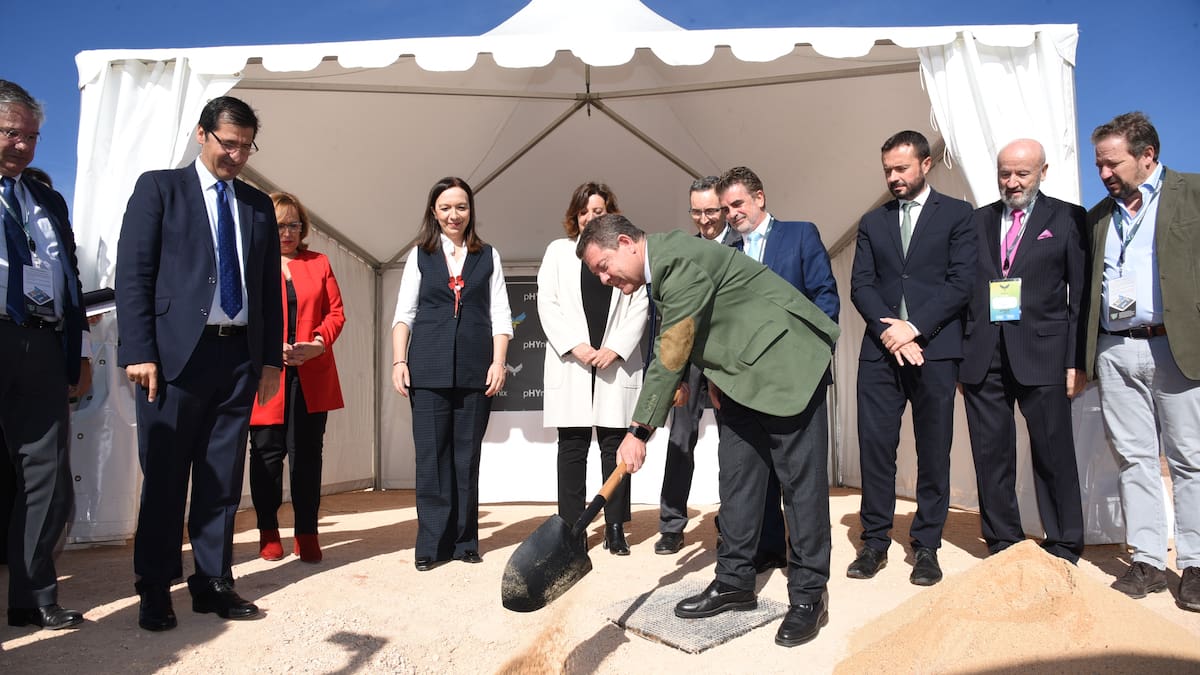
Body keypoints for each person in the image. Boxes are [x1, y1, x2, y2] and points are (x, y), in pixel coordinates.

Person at [578, 214, 840, 647]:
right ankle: (736, 582)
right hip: (739, 378)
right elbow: (713, 323)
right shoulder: (662, 266)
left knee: (800, 488)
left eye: (603, 266)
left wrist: (638, 431)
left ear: (626, 243)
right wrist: (712, 376)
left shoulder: (677, 263)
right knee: (737, 482)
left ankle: (810, 596)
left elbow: (673, 348)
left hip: (788, 369)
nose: (604, 278)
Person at [116, 96, 282, 631]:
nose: (235, 154)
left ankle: (213, 581)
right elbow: (133, 275)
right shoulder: (159, 188)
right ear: (201, 134)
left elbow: (266, 291)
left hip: (237, 357)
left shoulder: (258, 205)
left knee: (221, 478)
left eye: (245, 145)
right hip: (171, 360)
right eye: (227, 142)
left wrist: (270, 361)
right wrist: (139, 350)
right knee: (166, 476)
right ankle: (155, 588)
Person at [1082, 112, 1200, 611]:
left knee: (1191, 460)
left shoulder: (1193, 193)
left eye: (1113, 163)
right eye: (1099, 165)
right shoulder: (1097, 218)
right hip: (1115, 349)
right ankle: (1149, 559)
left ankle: (1194, 565)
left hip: (1179, 345)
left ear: (1147, 155)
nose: (1104, 173)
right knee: (1134, 459)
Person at [848, 130, 975, 586]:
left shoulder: (959, 215)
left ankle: (926, 546)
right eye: (887, 170)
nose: (894, 177)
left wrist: (914, 328)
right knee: (876, 449)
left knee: (933, 449)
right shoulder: (872, 221)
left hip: (935, 351)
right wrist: (891, 331)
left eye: (901, 168)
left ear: (925, 164)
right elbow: (861, 284)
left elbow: (961, 283)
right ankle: (875, 541)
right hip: (881, 352)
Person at [958, 139, 1086, 563]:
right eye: (1004, 174)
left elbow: (1080, 299)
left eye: (1022, 173)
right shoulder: (974, 222)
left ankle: (1064, 542)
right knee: (991, 454)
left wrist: (1075, 360)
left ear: (1043, 172)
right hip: (984, 357)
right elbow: (959, 292)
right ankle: (1002, 542)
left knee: (1053, 452)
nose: (1012, 182)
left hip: (1045, 354)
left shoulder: (1068, 219)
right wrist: (962, 356)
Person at [718, 166, 840, 575]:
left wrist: (813, 360)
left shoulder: (801, 234)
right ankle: (760, 557)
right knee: (748, 480)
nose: (732, 213)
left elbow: (825, 297)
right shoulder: (725, 253)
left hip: (796, 382)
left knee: (802, 485)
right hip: (745, 388)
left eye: (737, 203)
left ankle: (808, 582)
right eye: (725, 208)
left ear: (760, 197)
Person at [0, 80, 91, 630]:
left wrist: (74, 353)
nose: (24, 147)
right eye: (12, 133)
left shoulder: (45, 198)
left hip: (38, 342)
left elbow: (70, 280)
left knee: (46, 476)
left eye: (32, 137)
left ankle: (33, 598)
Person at [391, 176, 511, 571]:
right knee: (431, 458)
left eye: (461, 207)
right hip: (426, 369)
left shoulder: (487, 255)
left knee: (466, 459)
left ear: (470, 210)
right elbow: (404, 315)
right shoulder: (419, 255)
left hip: (476, 370)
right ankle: (431, 545)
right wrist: (399, 361)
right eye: (445, 207)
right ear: (433, 212)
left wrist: (498, 363)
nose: (453, 214)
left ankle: (465, 541)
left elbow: (501, 316)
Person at [538, 182, 645, 555]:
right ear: (575, 216)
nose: (589, 218)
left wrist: (615, 349)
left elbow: (640, 303)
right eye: (584, 212)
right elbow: (546, 303)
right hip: (574, 363)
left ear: (610, 214)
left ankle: (615, 527)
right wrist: (576, 346)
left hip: (614, 364)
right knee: (572, 447)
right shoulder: (557, 252)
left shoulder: (624, 251)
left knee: (615, 447)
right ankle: (572, 527)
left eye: (598, 212)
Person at [248, 191, 346, 564]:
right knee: (266, 456)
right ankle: (268, 530)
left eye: (294, 224)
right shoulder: (253, 264)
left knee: (307, 457)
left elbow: (336, 313)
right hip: (266, 375)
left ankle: (307, 532)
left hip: (311, 372)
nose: (287, 232)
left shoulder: (319, 262)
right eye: (279, 225)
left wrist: (318, 343)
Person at [655, 176, 737, 555]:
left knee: (733, 444)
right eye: (697, 212)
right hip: (688, 362)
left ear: (724, 208)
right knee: (679, 439)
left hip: (729, 361)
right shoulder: (682, 250)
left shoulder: (742, 244)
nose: (704, 220)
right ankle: (672, 524)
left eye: (711, 211)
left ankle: (732, 523)